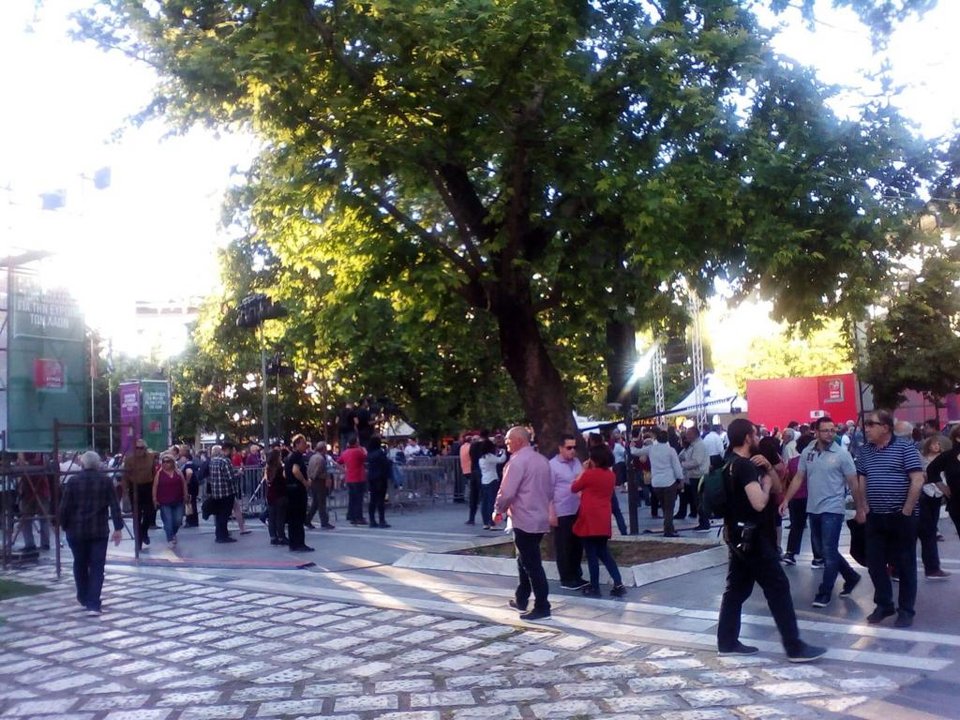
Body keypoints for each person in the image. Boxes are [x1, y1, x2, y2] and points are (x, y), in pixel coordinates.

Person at [717, 418, 825, 662]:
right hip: (754, 539)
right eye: (754, 435)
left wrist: (767, 469)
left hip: (737, 537)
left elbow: (778, 488)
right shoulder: (743, 466)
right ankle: (794, 647)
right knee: (778, 588)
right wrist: (764, 486)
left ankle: (726, 641)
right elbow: (760, 501)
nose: (757, 438)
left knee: (735, 590)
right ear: (747, 437)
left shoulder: (729, 463)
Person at [779, 416, 863, 608]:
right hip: (813, 508)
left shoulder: (842, 455)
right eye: (825, 430)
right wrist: (786, 499)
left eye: (832, 430)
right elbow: (799, 478)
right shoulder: (808, 452)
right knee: (827, 551)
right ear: (815, 432)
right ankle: (850, 576)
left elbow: (853, 482)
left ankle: (824, 592)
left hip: (833, 509)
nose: (830, 434)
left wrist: (860, 507)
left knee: (828, 550)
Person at [855, 410, 925, 627]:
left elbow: (917, 480)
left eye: (871, 424)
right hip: (876, 516)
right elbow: (862, 478)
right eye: (866, 424)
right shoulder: (865, 451)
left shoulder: (905, 448)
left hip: (901, 516)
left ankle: (906, 610)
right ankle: (884, 604)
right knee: (874, 564)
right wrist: (862, 505)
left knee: (905, 564)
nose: (866, 428)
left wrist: (906, 510)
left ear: (885, 428)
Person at [495, 426, 554, 622]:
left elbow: (507, 492)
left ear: (519, 440)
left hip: (523, 518)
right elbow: (550, 490)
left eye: (508, 439)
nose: (506, 442)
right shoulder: (542, 460)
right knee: (524, 559)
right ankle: (521, 598)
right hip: (539, 517)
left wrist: (498, 510)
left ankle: (542, 606)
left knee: (532, 564)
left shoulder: (517, 462)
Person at [59, 451, 124, 613]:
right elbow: (115, 505)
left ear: (82, 464)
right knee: (97, 566)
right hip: (99, 530)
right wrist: (118, 528)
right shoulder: (106, 481)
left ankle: (83, 595)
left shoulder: (73, 481)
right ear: (98, 464)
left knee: (79, 563)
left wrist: (62, 525)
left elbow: (64, 507)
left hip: (76, 530)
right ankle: (93, 602)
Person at [572, 444, 627, 598]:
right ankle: (618, 582)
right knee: (604, 552)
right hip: (603, 516)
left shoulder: (589, 474)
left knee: (591, 554)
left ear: (594, 459)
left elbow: (574, 487)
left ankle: (595, 587)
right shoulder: (610, 475)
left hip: (589, 516)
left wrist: (583, 471)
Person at [548, 434, 587, 590]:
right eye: (569, 447)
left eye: (574, 447)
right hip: (562, 510)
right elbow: (548, 491)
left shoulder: (577, 462)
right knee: (564, 545)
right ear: (560, 448)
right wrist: (551, 513)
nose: (572, 451)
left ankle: (577, 574)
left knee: (577, 544)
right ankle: (566, 577)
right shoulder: (552, 465)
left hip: (577, 508)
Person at [633, 430, 684, 537]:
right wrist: (681, 479)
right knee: (669, 508)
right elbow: (677, 467)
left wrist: (631, 445)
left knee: (665, 508)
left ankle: (670, 528)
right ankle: (668, 531)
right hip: (669, 481)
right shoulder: (671, 451)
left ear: (656, 438)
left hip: (656, 482)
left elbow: (636, 452)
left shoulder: (651, 449)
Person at [917, 436, 950, 580]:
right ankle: (932, 568)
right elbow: (927, 475)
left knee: (929, 531)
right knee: (927, 533)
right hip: (925, 494)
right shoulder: (921, 458)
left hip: (936, 496)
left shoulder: (944, 458)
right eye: (934, 444)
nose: (936, 446)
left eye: (938, 444)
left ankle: (932, 567)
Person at [925, 423, 960, 543]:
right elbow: (931, 470)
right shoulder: (948, 456)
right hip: (957, 503)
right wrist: (943, 487)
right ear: (957, 438)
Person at [122, 439, 156, 552]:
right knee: (136, 516)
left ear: (145, 449)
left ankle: (144, 532)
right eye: (137, 448)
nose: (139, 450)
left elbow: (154, 471)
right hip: (135, 488)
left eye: (141, 448)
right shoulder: (129, 459)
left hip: (148, 486)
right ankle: (138, 542)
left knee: (149, 514)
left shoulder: (151, 457)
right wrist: (125, 491)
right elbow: (125, 475)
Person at [15, 453, 51, 553]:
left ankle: (42, 544)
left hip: (40, 490)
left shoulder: (41, 453)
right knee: (26, 519)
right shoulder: (26, 452)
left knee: (42, 518)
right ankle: (31, 544)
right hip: (28, 491)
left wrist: (24, 462)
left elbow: (42, 464)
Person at [284, 434, 314, 552]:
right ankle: (300, 543)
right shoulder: (297, 456)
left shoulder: (289, 457)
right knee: (299, 517)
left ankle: (293, 543)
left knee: (293, 519)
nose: (305, 445)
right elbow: (295, 471)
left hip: (290, 489)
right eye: (303, 443)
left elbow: (286, 474)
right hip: (297, 490)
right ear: (297, 444)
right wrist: (305, 482)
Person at [152, 453, 189, 548]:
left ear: (172, 462)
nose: (165, 464)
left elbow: (184, 484)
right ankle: (170, 537)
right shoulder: (159, 473)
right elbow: (155, 486)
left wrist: (185, 495)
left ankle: (172, 532)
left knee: (178, 520)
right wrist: (155, 498)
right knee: (168, 520)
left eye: (168, 462)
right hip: (164, 501)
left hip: (178, 500)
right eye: (163, 462)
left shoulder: (178, 472)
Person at [677, 426, 710, 530]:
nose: (686, 436)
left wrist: (683, 464)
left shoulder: (699, 446)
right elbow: (683, 455)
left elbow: (696, 461)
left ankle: (704, 522)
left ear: (694, 434)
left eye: (688, 434)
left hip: (698, 476)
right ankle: (702, 521)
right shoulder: (693, 446)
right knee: (697, 500)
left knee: (699, 500)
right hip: (693, 476)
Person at [206, 445, 237, 543]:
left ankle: (219, 535)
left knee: (219, 514)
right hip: (226, 491)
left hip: (216, 492)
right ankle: (223, 535)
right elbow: (230, 477)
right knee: (225, 514)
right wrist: (238, 474)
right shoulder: (225, 461)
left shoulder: (212, 461)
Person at [478, 437, 507, 530]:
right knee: (492, 502)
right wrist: (503, 452)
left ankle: (485, 522)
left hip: (484, 480)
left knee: (485, 502)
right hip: (492, 479)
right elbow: (501, 460)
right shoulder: (489, 456)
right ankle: (493, 522)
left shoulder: (481, 458)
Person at [338, 436, 368, 525]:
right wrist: (364, 450)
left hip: (349, 478)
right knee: (359, 499)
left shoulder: (345, 452)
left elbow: (338, 461)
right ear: (355, 443)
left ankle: (351, 515)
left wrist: (344, 469)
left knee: (352, 498)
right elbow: (365, 457)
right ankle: (358, 517)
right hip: (358, 478)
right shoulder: (358, 451)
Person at [306, 441, 335, 530]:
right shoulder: (321, 459)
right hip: (319, 482)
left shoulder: (313, 457)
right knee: (321, 502)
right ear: (323, 449)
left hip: (314, 481)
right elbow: (317, 470)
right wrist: (314, 477)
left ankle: (307, 520)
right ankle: (324, 522)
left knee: (315, 503)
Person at [366, 435, 392, 528]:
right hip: (380, 477)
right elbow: (385, 464)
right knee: (381, 500)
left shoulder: (369, 453)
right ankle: (382, 520)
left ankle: (372, 520)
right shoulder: (380, 453)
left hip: (371, 477)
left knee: (373, 500)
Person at [264, 448, 288, 545]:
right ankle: (281, 536)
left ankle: (273, 537)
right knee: (280, 517)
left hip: (270, 495)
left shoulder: (268, 468)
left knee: (272, 517)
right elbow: (284, 479)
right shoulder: (280, 468)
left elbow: (267, 481)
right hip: (280, 494)